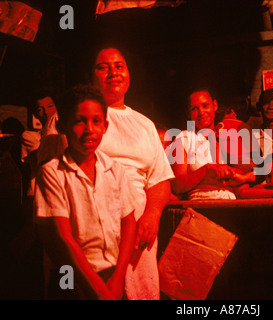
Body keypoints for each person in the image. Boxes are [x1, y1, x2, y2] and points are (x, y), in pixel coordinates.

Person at [34, 84, 137, 300]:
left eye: (96, 121)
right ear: (62, 126)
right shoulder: (52, 173)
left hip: (112, 273)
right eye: (79, 121)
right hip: (69, 272)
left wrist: (118, 278)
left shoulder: (115, 170)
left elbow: (128, 223)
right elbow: (64, 238)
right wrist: (97, 291)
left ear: (105, 125)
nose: (89, 129)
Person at [92, 46, 175, 300]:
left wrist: (151, 215)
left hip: (139, 232)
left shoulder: (144, 124)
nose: (113, 73)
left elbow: (160, 179)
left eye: (119, 66)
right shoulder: (72, 117)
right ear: (90, 76)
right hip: (92, 230)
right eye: (103, 66)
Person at [169, 88, 242, 200]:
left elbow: (246, 176)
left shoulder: (226, 136)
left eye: (205, 105)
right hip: (201, 205)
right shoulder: (184, 139)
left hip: (231, 203)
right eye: (194, 109)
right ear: (188, 113)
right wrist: (206, 170)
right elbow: (177, 186)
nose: (201, 112)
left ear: (215, 105)